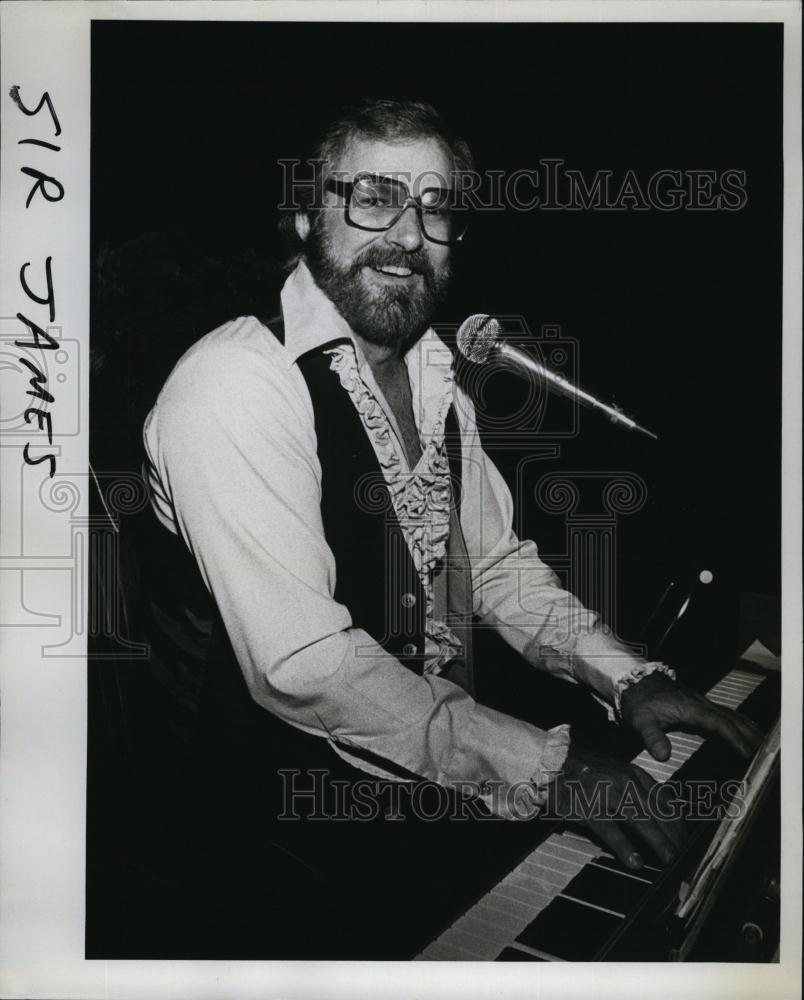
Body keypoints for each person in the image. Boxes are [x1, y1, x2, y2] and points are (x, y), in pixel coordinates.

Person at [141, 98, 761, 890]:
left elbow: (494, 564)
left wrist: (627, 675)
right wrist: (550, 770)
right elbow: (307, 664)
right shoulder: (235, 384)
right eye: (373, 197)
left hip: (438, 790)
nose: (407, 236)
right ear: (305, 216)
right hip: (269, 845)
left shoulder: (436, 376)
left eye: (435, 208)